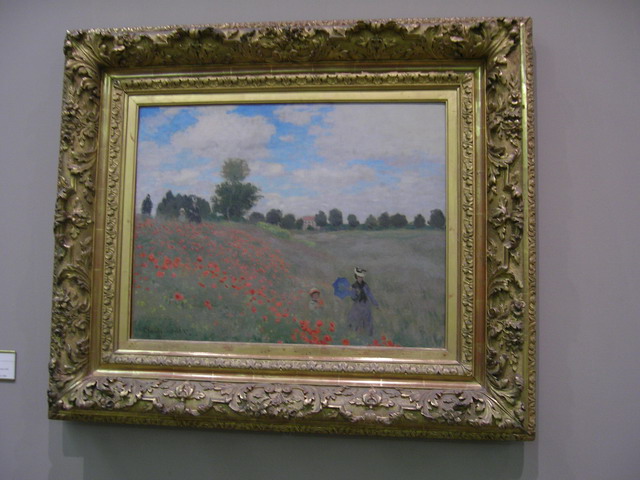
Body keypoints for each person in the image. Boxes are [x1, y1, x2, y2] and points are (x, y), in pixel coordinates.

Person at [347, 267, 378, 336]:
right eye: (359, 277)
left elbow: (370, 295)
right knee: (355, 319)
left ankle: (369, 334)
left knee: (368, 320)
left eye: (361, 277)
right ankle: (357, 334)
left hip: (365, 305)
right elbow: (353, 297)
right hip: (358, 305)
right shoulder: (354, 286)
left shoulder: (365, 285)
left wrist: (376, 304)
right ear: (356, 277)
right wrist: (355, 293)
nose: (360, 278)